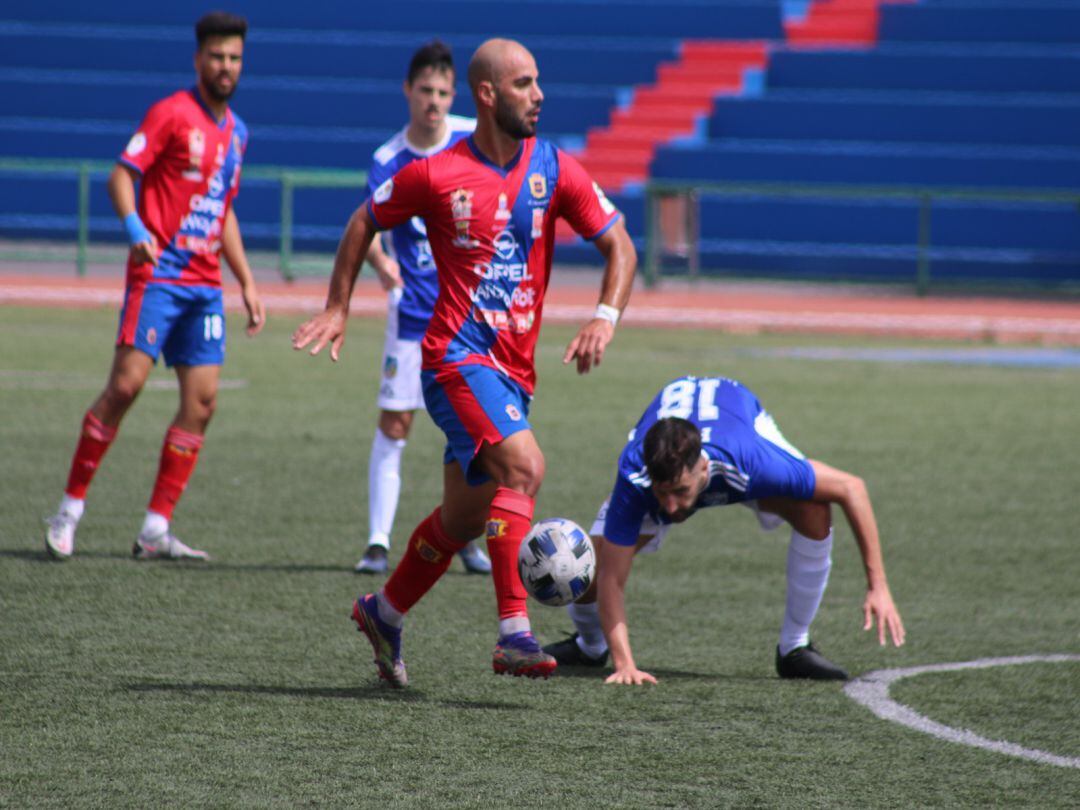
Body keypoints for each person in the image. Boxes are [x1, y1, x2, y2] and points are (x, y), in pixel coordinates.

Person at [293, 38, 637, 687]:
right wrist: (338, 306)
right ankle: (514, 634)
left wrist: (604, 317)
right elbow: (363, 220)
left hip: (512, 372)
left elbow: (620, 245)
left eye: (539, 83)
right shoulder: (437, 172)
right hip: (454, 358)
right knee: (525, 467)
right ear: (487, 95)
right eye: (525, 84)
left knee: (463, 519)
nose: (540, 95)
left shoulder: (554, 167)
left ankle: (384, 611)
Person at [44, 11, 264, 561]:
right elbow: (122, 175)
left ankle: (155, 529)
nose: (226, 66)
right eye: (217, 56)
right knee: (126, 386)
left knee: (204, 401)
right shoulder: (170, 113)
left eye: (234, 58)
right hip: (159, 274)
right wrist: (136, 229)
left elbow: (224, 209)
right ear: (198, 60)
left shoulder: (238, 132)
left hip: (204, 283)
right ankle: (69, 509)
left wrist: (247, 281)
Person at [543, 375, 906, 684]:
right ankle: (591, 647)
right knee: (588, 565)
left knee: (814, 509)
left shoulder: (754, 463)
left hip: (739, 420)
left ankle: (794, 646)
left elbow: (851, 488)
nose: (670, 507)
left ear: (702, 469)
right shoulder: (636, 474)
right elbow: (612, 577)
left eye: (680, 492)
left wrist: (878, 586)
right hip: (677, 448)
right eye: (662, 493)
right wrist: (625, 665)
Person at [354, 40, 490, 577]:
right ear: (408, 92)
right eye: (424, 91)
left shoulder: (469, 138)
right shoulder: (388, 160)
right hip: (412, 319)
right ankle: (377, 541)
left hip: (470, 321)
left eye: (442, 92)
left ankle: (467, 539)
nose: (433, 101)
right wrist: (383, 266)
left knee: (471, 430)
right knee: (395, 424)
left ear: (453, 95)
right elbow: (364, 223)